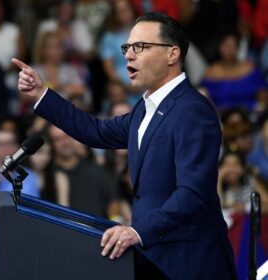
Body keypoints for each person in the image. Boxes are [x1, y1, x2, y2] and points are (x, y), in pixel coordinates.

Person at [12, 11, 237, 279]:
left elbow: (192, 193)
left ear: (172, 55)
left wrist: (137, 231)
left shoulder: (193, 110)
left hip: (191, 262)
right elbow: (95, 131)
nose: (128, 55)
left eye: (140, 47)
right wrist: (42, 94)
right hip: (154, 259)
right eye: (127, 47)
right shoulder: (144, 108)